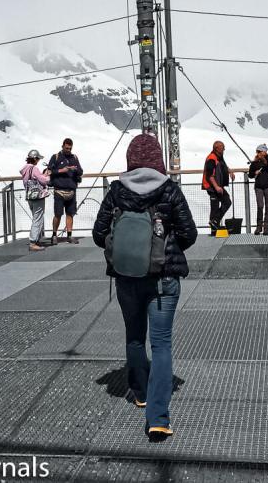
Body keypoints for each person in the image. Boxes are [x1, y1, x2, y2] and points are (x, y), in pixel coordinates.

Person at [93, 133, 197, 442]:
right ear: (158, 159)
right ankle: (158, 419)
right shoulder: (170, 190)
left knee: (135, 337)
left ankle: (139, 392)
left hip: (127, 278)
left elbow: (100, 235)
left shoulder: (115, 192)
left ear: (129, 160)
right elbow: (189, 233)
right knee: (161, 345)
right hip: (164, 279)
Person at [47, 138, 83, 244]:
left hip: (71, 190)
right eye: (67, 148)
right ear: (62, 146)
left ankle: (69, 236)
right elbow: (49, 171)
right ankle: (54, 235)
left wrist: (75, 169)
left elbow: (81, 171)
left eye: (70, 148)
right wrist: (62, 170)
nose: (68, 150)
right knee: (58, 214)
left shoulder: (74, 157)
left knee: (70, 214)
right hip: (59, 190)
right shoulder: (55, 157)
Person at [202, 140, 235, 234]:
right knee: (215, 206)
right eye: (222, 148)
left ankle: (215, 222)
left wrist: (230, 172)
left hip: (218, 185)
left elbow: (224, 165)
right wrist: (216, 187)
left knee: (227, 201)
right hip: (212, 187)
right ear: (217, 149)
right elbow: (209, 175)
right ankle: (214, 226)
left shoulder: (219, 156)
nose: (224, 149)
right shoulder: (211, 158)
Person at [20, 149, 50, 252]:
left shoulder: (25, 169)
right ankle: (33, 242)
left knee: (35, 217)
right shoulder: (34, 169)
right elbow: (44, 181)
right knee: (38, 218)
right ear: (35, 159)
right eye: (37, 159)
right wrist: (47, 175)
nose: (38, 161)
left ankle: (36, 239)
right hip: (38, 197)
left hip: (29, 196)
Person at [248, 144, 268, 235]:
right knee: (260, 206)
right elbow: (250, 175)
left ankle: (266, 227)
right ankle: (259, 226)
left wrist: (266, 156)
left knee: (267, 206)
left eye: (261, 152)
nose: (259, 154)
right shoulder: (254, 163)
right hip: (258, 186)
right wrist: (255, 172)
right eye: (258, 152)